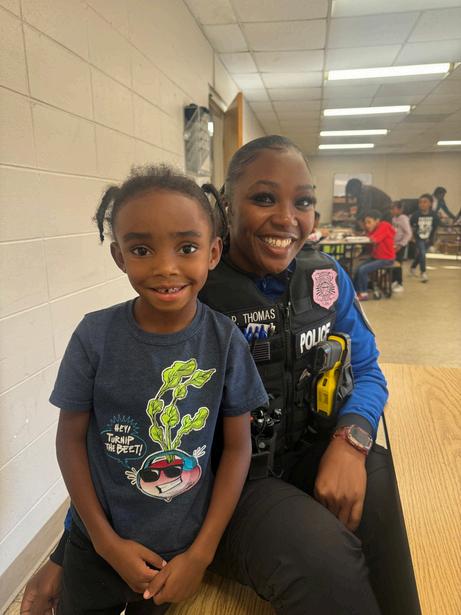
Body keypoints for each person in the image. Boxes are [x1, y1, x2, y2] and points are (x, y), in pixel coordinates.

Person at [21, 136, 421, 615]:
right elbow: (120, 430)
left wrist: (351, 439)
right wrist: (71, 549)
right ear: (226, 207)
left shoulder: (326, 277)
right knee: (324, 560)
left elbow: (368, 369)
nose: (287, 218)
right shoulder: (191, 295)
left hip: (309, 447)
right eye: (264, 198)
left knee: (379, 481)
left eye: (304, 202)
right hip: (231, 484)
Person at [47, 165, 269, 614]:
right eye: (142, 249)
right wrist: (105, 542)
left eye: (186, 247)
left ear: (213, 252)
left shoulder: (225, 341)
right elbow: (70, 441)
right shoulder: (94, 336)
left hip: (181, 552)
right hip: (97, 546)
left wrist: (201, 554)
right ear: (119, 257)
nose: (166, 267)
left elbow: (238, 448)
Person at [353, 210, 396, 301]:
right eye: (365, 223)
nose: (367, 225)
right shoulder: (373, 229)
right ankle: (356, 291)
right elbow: (367, 239)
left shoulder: (384, 225)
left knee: (363, 270)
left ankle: (364, 294)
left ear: (377, 221)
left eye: (369, 222)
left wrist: (367, 235)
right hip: (376, 257)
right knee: (357, 268)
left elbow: (374, 239)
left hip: (386, 258)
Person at [410, 193, 439, 283]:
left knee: (420, 255)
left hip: (428, 238)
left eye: (425, 202)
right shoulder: (415, 215)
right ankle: (423, 273)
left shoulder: (434, 216)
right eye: (420, 202)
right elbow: (411, 227)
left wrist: (433, 241)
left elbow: (435, 229)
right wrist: (412, 237)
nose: (422, 204)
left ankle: (413, 267)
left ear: (430, 203)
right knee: (422, 253)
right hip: (418, 238)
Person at [391, 201, 412, 292]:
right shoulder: (394, 218)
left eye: (393, 208)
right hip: (394, 245)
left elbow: (408, 233)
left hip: (400, 245)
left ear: (400, 209)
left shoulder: (403, 219)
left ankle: (400, 283)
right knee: (393, 263)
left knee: (398, 263)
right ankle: (394, 280)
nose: (391, 210)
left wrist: (401, 245)